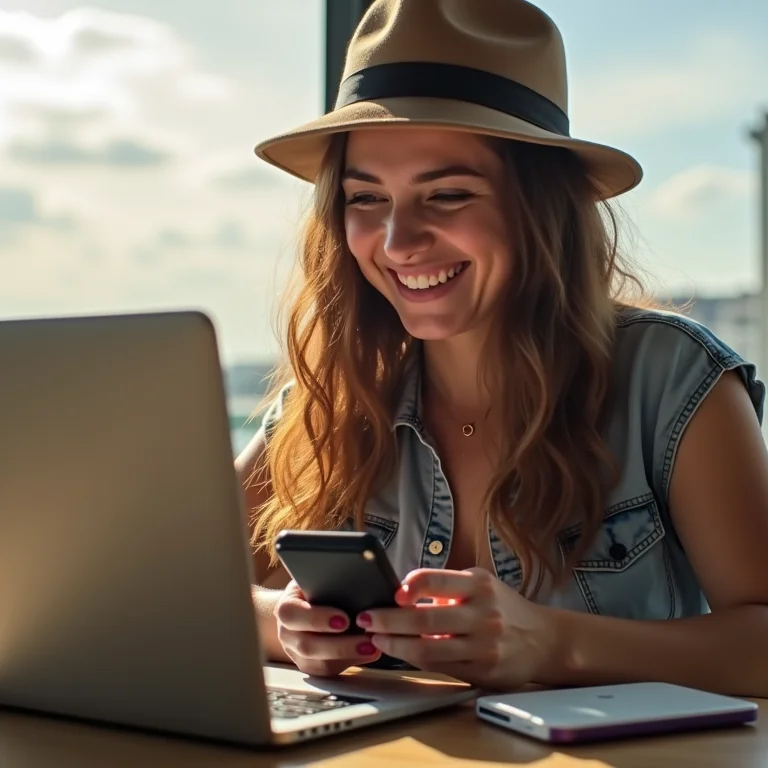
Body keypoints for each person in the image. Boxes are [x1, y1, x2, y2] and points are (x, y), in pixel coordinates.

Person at [237, 0, 768, 695]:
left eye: (448, 194)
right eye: (366, 198)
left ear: (541, 209)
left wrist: (555, 645)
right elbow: (170, 589)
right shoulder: (330, 395)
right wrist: (287, 624)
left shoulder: (671, 380)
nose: (398, 242)